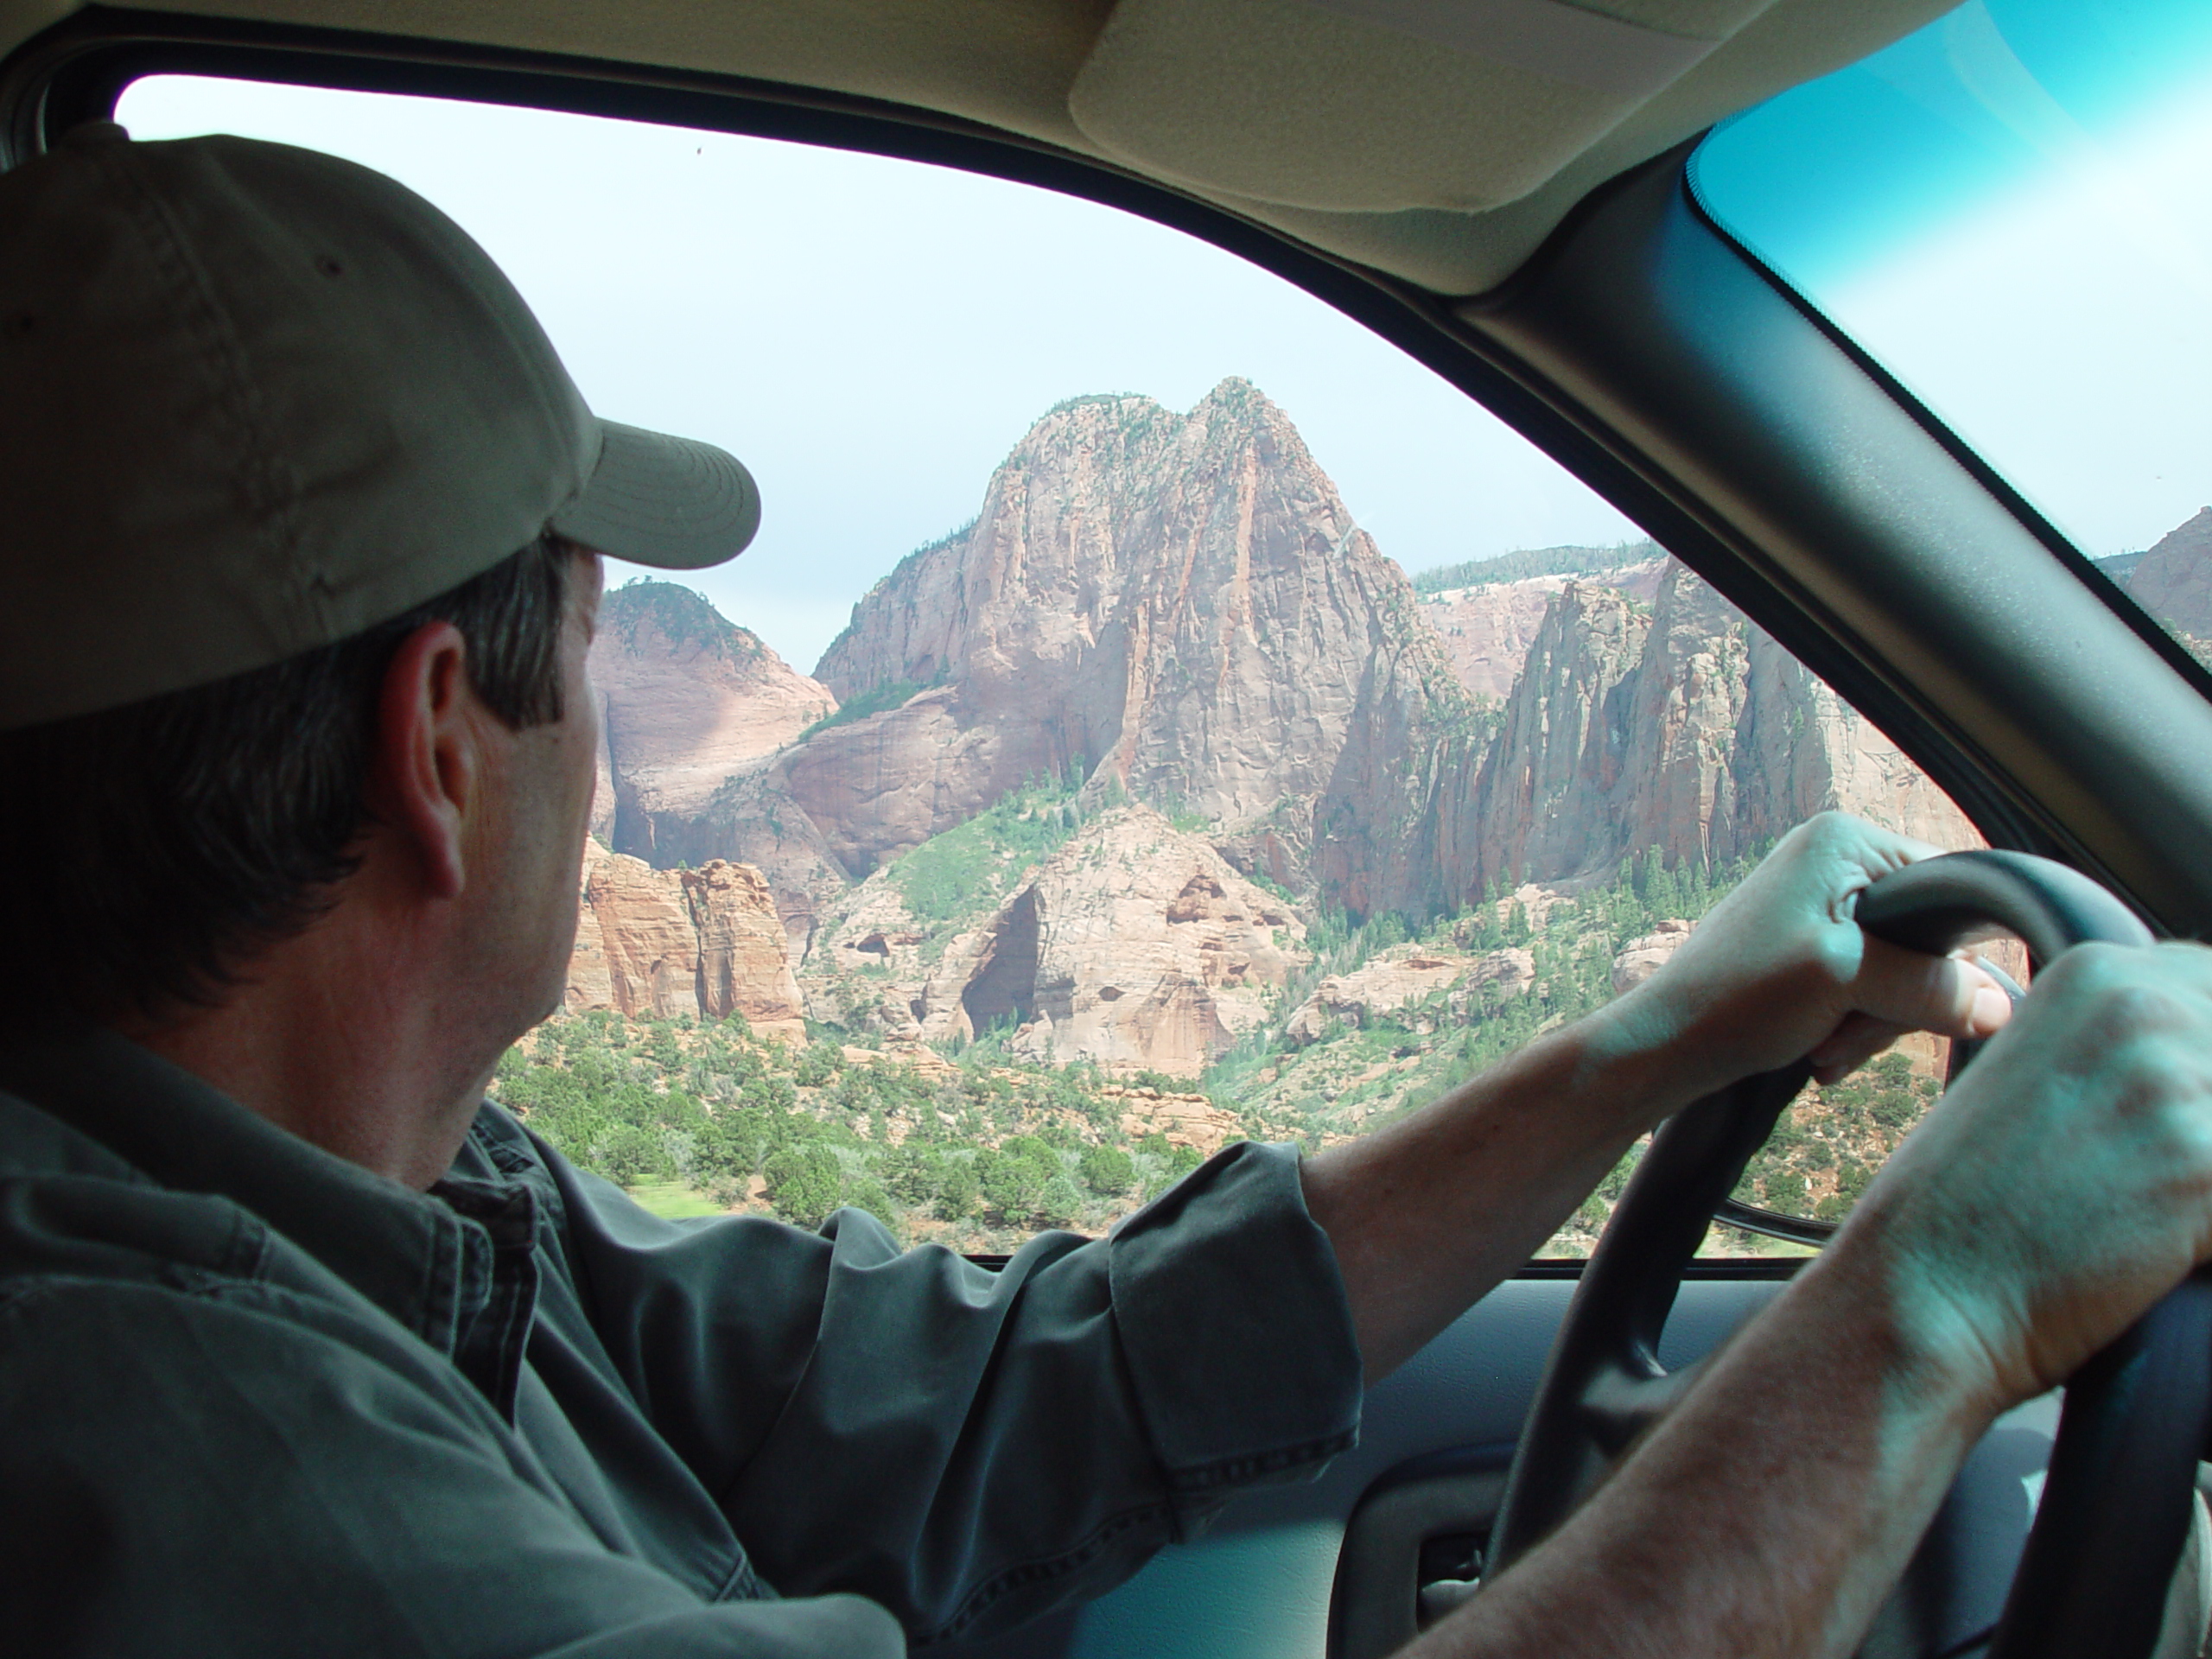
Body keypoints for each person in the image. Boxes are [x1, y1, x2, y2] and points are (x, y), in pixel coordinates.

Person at [2, 121, 2209, 1659]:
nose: (624, 737)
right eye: (595, 639)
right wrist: (1932, 1307)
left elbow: (1000, 1390)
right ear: (434, 752)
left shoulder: (408, 1200)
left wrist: (1642, 1045)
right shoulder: (195, 1480)